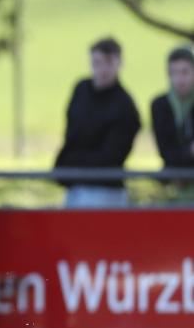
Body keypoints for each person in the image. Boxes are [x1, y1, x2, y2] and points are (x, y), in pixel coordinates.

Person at [54, 37, 141, 207]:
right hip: (74, 184)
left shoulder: (124, 106)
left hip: (105, 190)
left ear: (119, 63)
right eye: (97, 62)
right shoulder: (81, 89)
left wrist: (72, 161)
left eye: (108, 63)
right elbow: (71, 133)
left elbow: (111, 156)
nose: (102, 69)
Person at [151, 45, 194, 169]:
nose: (180, 79)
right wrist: (189, 152)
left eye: (185, 72)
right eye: (174, 72)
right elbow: (165, 153)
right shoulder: (159, 105)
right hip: (172, 181)